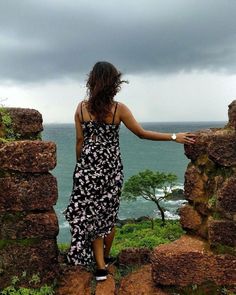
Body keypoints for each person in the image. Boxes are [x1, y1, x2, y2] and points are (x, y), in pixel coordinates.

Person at [64, 61, 196, 281]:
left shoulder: (80, 108)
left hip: (86, 169)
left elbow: (80, 141)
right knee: (108, 214)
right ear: (113, 83)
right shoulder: (118, 109)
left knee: (91, 214)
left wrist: (81, 168)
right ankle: (102, 263)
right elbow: (142, 133)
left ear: (92, 81)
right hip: (110, 170)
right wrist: (174, 137)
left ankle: (100, 264)